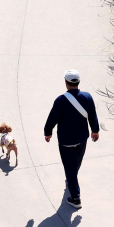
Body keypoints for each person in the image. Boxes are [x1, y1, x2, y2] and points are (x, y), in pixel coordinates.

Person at [43, 69, 99, 209]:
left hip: (66, 141)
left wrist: (48, 132)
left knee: (70, 168)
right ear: (78, 82)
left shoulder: (61, 100)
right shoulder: (87, 97)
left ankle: (75, 198)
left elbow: (52, 118)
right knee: (75, 164)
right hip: (82, 138)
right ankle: (71, 180)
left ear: (66, 83)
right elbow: (92, 115)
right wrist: (95, 131)